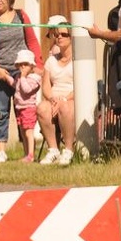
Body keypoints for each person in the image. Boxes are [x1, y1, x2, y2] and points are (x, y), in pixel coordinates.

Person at [0, 0, 44, 163]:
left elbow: (32, 40)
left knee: (25, 111)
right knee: (2, 112)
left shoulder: (21, 15)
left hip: (22, 72)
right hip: (1, 73)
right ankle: (1, 150)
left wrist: (38, 65)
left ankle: (28, 152)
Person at [37, 18, 75, 166]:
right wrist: (52, 98)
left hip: (71, 99)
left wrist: (64, 100)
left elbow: (79, 87)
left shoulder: (77, 60)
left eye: (63, 34)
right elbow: (45, 85)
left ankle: (69, 150)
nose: (59, 37)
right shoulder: (51, 60)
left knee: (65, 108)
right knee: (42, 108)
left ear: (71, 37)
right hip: (55, 97)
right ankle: (53, 149)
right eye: (56, 34)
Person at [11, 50, 42, 163]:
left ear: (31, 65)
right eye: (20, 64)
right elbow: (16, 86)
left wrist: (23, 77)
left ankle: (31, 154)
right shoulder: (20, 77)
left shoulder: (34, 79)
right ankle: (26, 153)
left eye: (25, 64)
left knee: (29, 132)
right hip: (20, 108)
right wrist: (6, 78)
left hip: (28, 108)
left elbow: (26, 89)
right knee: (23, 132)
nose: (22, 67)